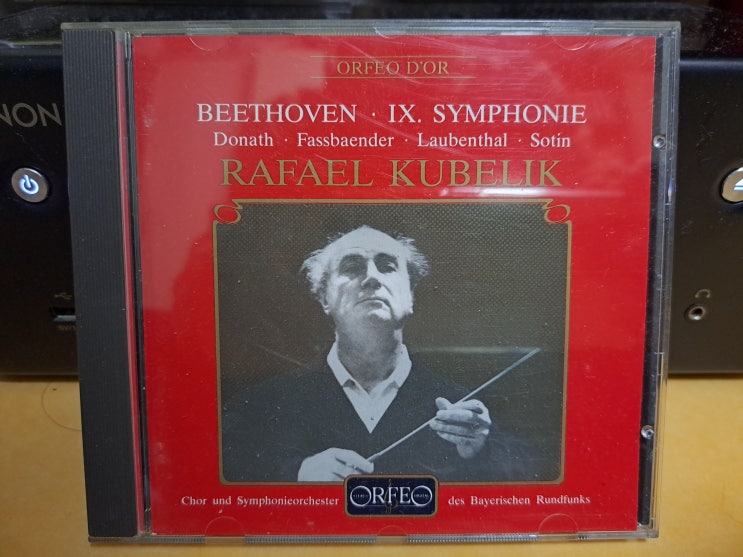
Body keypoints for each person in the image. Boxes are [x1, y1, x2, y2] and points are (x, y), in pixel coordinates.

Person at [222, 226, 531, 482]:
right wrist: (298, 473)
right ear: (324, 297)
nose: (372, 278)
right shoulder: (263, 405)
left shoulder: (468, 409)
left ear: (410, 295)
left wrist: (480, 449)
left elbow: (529, 479)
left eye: (387, 266)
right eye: (352, 267)